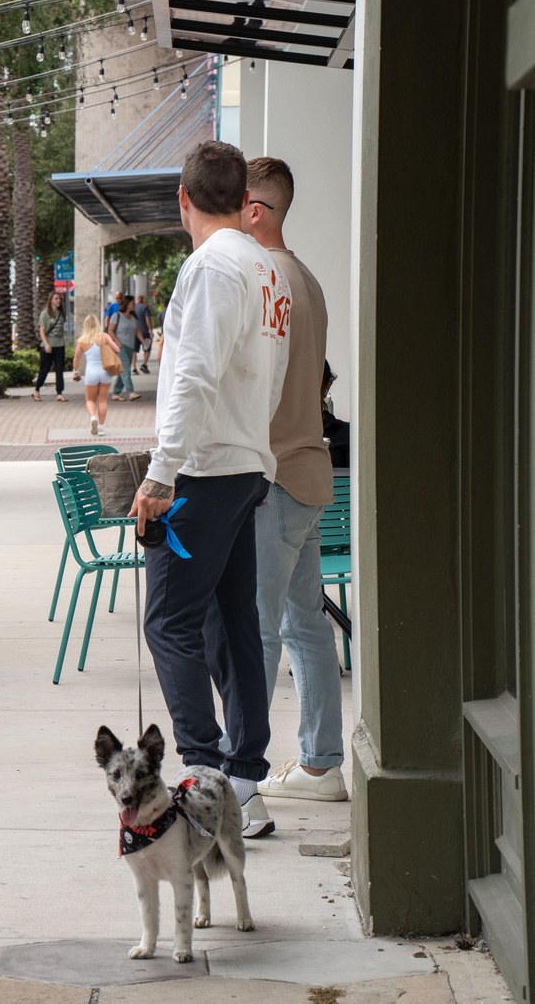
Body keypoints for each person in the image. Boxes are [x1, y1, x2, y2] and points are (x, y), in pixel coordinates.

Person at [130, 140, 291, 840]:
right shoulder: (267, 269)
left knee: (168, 621)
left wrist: (160, 476)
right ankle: (245, 778)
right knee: (231, 624)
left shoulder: (208, 267)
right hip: (247, 463)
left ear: (183, 199)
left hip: (205, 469)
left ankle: (201, 772)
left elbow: (192, 378)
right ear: (243, 199)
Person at [239, 156, 346, 804]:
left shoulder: (262, 280)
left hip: (273, 477)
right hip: (308, 474)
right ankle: (320, 764)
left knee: (257, 629)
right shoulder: (304, 278)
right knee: (306, 624)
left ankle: (243, 783)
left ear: (254, 207)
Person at [70, 313, 120, 436]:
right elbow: (117, 349)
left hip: (91, 372)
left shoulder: (82, 340)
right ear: (98, 324)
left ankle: (93, 418)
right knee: (103, 400)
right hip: (105, 371)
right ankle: (102, 428)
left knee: (90, 400)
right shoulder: (104, 336)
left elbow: (76, 358)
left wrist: (75, 370)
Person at [32, 292, 69, 402]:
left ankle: (59, 393)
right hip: (47, 346)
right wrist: (47, 344)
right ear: (51, 300)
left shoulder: (61, 313)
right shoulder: (45, 314)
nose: (58, 300)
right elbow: (42, 331)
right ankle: (37, 390)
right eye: (56, 298)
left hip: (59, 345)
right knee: (44, 369)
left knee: (59, 369)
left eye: (59, 299)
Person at [108, 295, 145, 402]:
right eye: (132, 303)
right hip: (120, 347)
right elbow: (110, 330)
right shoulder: (117, 315)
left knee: (123, 370)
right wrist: (117, 342)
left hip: (130, 347)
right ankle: (131, 392)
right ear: (127, 304)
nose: (134, 305)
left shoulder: (134, 318)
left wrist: (143, 342)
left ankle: (115, 393)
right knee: (126, 370)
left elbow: (137, 331)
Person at [134, 295, 155, 374]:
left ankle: (134, 368)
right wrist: (151, 330)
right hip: (145, 332)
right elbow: (147, 320)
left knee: (134, 351)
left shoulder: (134, 307)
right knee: (147, 349)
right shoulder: (145, 307)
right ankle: (144, 364)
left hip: (135, 332)